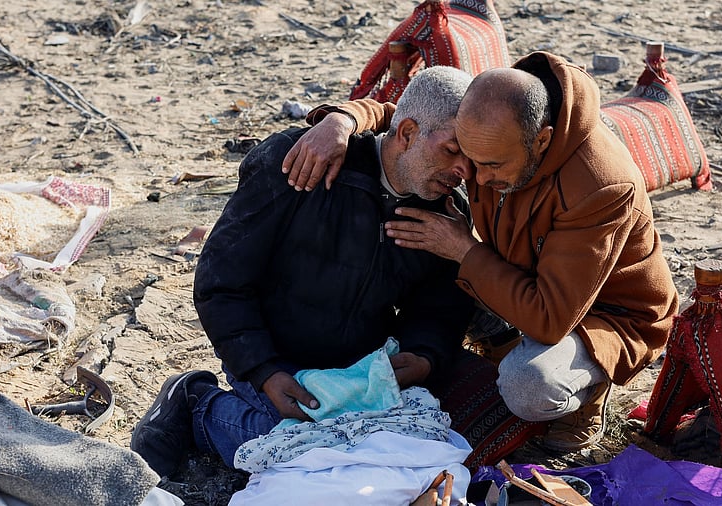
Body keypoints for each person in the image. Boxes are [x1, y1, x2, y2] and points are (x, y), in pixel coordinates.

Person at [281, 51, 680, 453]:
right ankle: (503, 341)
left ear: (541, 140)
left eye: (491, 165)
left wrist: (463, 249)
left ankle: (588, 393)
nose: (475, 176)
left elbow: (550, 319)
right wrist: (341, 121)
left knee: (529, 385)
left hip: (602, 316)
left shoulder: (601, 186)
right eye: (467, 156)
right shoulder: (495, 111)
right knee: (429, 271)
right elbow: (404, 115)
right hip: (520, 274)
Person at [129, 66, 477, 478]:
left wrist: (423, 355)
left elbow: (440, 304)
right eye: (452, 151)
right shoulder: (301, 162)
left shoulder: (444, 207)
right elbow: (220, 283)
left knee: (398, 450)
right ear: (406, 134)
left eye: (470, 158)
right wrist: (264, 371)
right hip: (274, 356)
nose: (465, 172)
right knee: (296, 449)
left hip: (360, 371)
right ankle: (196, 403)